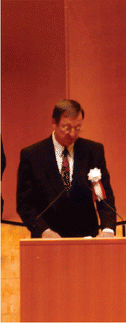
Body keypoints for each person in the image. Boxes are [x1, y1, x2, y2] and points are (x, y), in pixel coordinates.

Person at [17, 99, 116, 238]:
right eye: (67, 128)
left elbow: (104, 196)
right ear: (54, 122)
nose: (72, 134)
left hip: (86, 237)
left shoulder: (93, 151)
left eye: (77, 128)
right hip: (48, 238)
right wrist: (43, 231)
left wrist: (107, 229)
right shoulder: (32, 155)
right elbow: (25, 204)